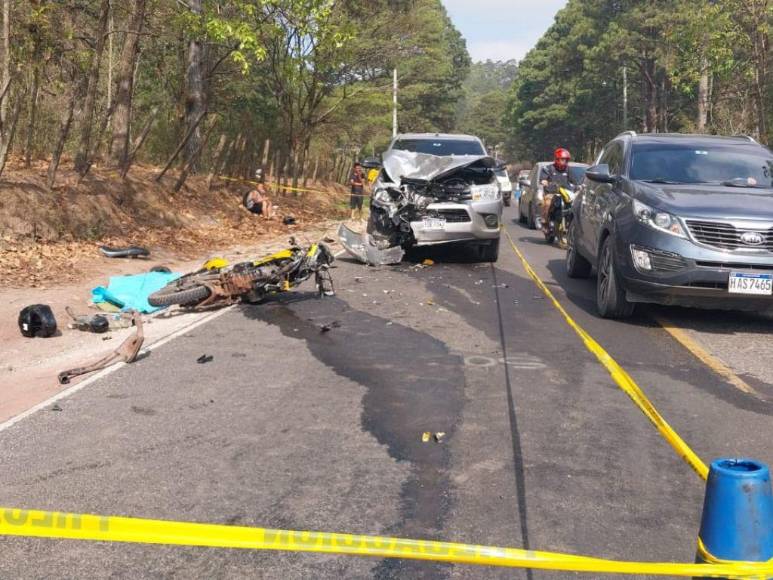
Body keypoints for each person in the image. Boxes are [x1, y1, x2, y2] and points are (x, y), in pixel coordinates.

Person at [540, 148, 572, 228]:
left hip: (566, 193)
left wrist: (579, 185)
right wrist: (544, 181)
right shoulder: (548, 168)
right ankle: (545, 222)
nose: (564, 161)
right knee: (547, 203)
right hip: (552, 193)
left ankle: (573, 224)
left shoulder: (568, 169)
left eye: (565, 160)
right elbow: (543, 179)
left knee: (575, 205)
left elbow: (575, 181)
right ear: (557, 159)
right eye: (562, 159)